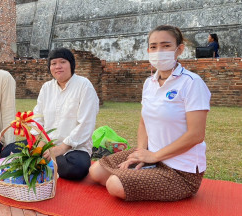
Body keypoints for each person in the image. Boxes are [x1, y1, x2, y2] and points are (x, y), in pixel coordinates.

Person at [89, 25, 211, 201]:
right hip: (151, 156)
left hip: (180, 170)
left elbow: (196, 135)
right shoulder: (149, 83)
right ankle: (141, 173)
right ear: (148, 50)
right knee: (96, 172)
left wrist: (154, 156)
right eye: (153, 47)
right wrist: (141, 153)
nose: (159, 51)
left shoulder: (192, 83)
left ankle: (136, 177)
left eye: (166, 45)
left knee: (114, 184)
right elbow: (143, 122)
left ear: (179, 50)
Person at [32, 48, 99, 180]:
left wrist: (60, 149)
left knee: (76, 168)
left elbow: (86, 123)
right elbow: (38, 118)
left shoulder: (84, 86)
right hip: (47, 145)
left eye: (62, 62)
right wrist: (41, 144)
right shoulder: (46, 88)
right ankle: (44, 162)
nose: (58, 67)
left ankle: (39, 164)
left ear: (72, 65)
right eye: (53, 63)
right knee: (8, 150)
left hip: (74, 148)